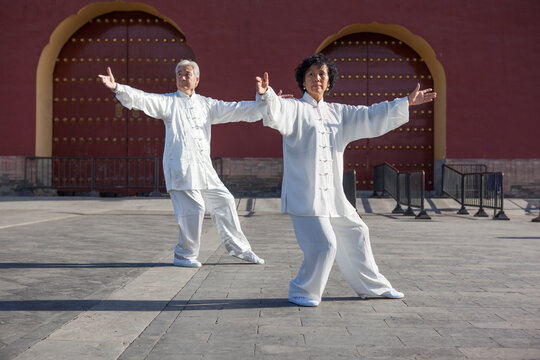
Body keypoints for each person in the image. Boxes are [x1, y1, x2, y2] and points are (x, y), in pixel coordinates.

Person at [255, 53, 436, 306]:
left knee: (358, 231)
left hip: (334, 197)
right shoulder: (294, 108)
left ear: (329, 82)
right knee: (325, 245)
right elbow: (275, 111)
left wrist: (405, 102)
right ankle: (302, 291)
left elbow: (371, 115)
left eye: (322, 75)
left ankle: (371, 287)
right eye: (311, 75)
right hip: (306, 197)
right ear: (303, 82)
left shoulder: (339, 113)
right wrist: (266, 96)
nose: (317, 79)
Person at [98, 60, 265, 268]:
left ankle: (240, 249)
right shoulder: (169, 103)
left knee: (225, 201)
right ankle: (184, 254)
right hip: (182, 168)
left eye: (187, 74)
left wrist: (265, 102)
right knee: (194, 208)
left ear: (197, 79)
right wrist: (117, 88)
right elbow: (143, 99)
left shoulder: (207, 104)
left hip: (204, 169)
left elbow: (236, 110)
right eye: (179, 74)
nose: (182, 77)